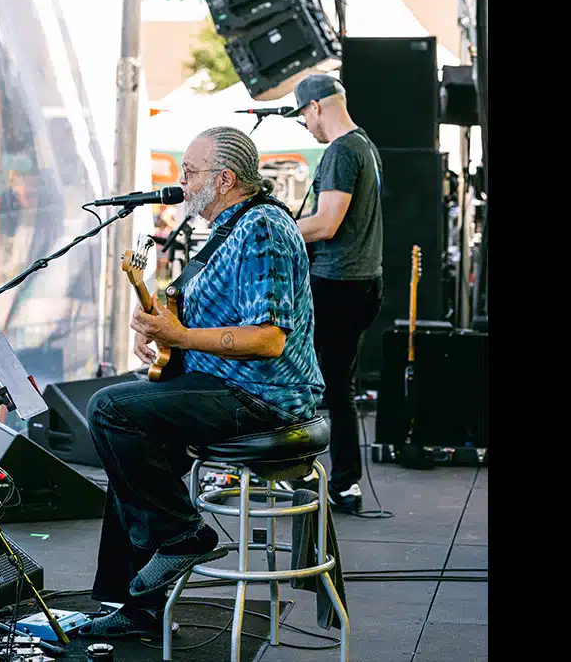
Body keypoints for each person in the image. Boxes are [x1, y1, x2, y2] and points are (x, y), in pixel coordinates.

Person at [76, 126, 323, 639]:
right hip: (225, 384)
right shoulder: (232, 227)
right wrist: (159, 329)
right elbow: (202, 312)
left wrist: (181, 336)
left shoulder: (262, 231)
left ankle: (182, 536)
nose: (182, 182)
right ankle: (137, 606)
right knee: (128, 446)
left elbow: (269, 339)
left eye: (189, 172)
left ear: (225, 179)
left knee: (109, 409)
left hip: (263, 396)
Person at [284, 74, 383, 515]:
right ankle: (343, 482)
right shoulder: (365, 145)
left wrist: (278, 227)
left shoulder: (342, 150)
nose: (306, 126)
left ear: (316, 107)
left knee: (300, 376)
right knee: (337, 386)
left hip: (337, 284)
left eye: (304, 116)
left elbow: (326, 224)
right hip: (360, 283)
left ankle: (308, 474)